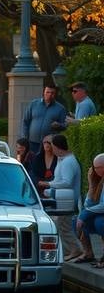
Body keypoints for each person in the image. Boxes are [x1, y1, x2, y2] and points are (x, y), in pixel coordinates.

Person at [36, 134, 84, 262]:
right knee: (62, 226)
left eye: (52, 146)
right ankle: (70, 250)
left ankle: (76, 249)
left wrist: (48, 184)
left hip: (67, 201)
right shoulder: (63, 160)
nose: (51, 149)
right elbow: (60, 180)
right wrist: (49, 187)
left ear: (57, 147)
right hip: (62, 199)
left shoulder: (68, 162)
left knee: (64, 227)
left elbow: (67, 182)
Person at [21, 84, 68, 156]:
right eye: (47, 92)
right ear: (43, 92)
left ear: (55, 94)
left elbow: (65, 126)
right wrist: (25, 137)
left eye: (52, 93)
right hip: (32, 142)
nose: (49, 95)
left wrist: (59, 125)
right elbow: (25, 121)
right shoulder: (34, 104)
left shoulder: (60, 109)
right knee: (31, 161)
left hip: (49, 144)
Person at [76, 153, 104, 268]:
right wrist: (91, 185)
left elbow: (103, 206)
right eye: (94, 168)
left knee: (100, 223)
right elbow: (88, 204)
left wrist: (84, 214)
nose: (95, 170)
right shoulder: (98, 180)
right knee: (76, 221)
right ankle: (88, 253)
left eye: (98, 168)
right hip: (100, 213)